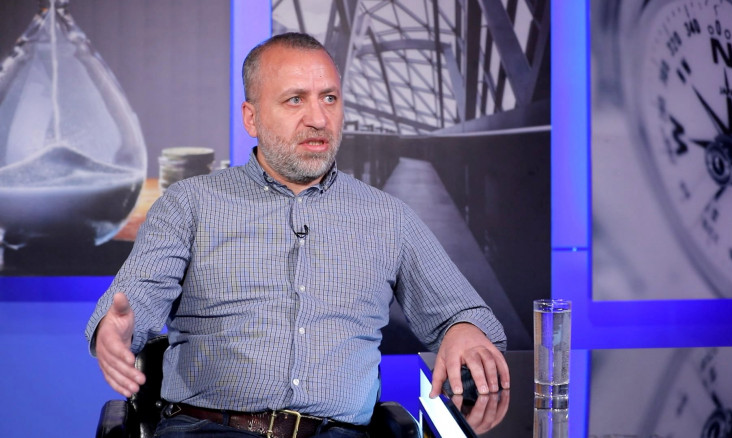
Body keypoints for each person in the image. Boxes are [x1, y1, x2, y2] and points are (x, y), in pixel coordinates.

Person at [86, 32, 510, 438]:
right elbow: (136, 298)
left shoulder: (389, 217)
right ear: (251, 117)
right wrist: (116, 330)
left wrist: (463, 329)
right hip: (207, 428)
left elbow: (465, 314)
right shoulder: (189, 203)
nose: (318, 118)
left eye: (329, 98)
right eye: (295, 100)